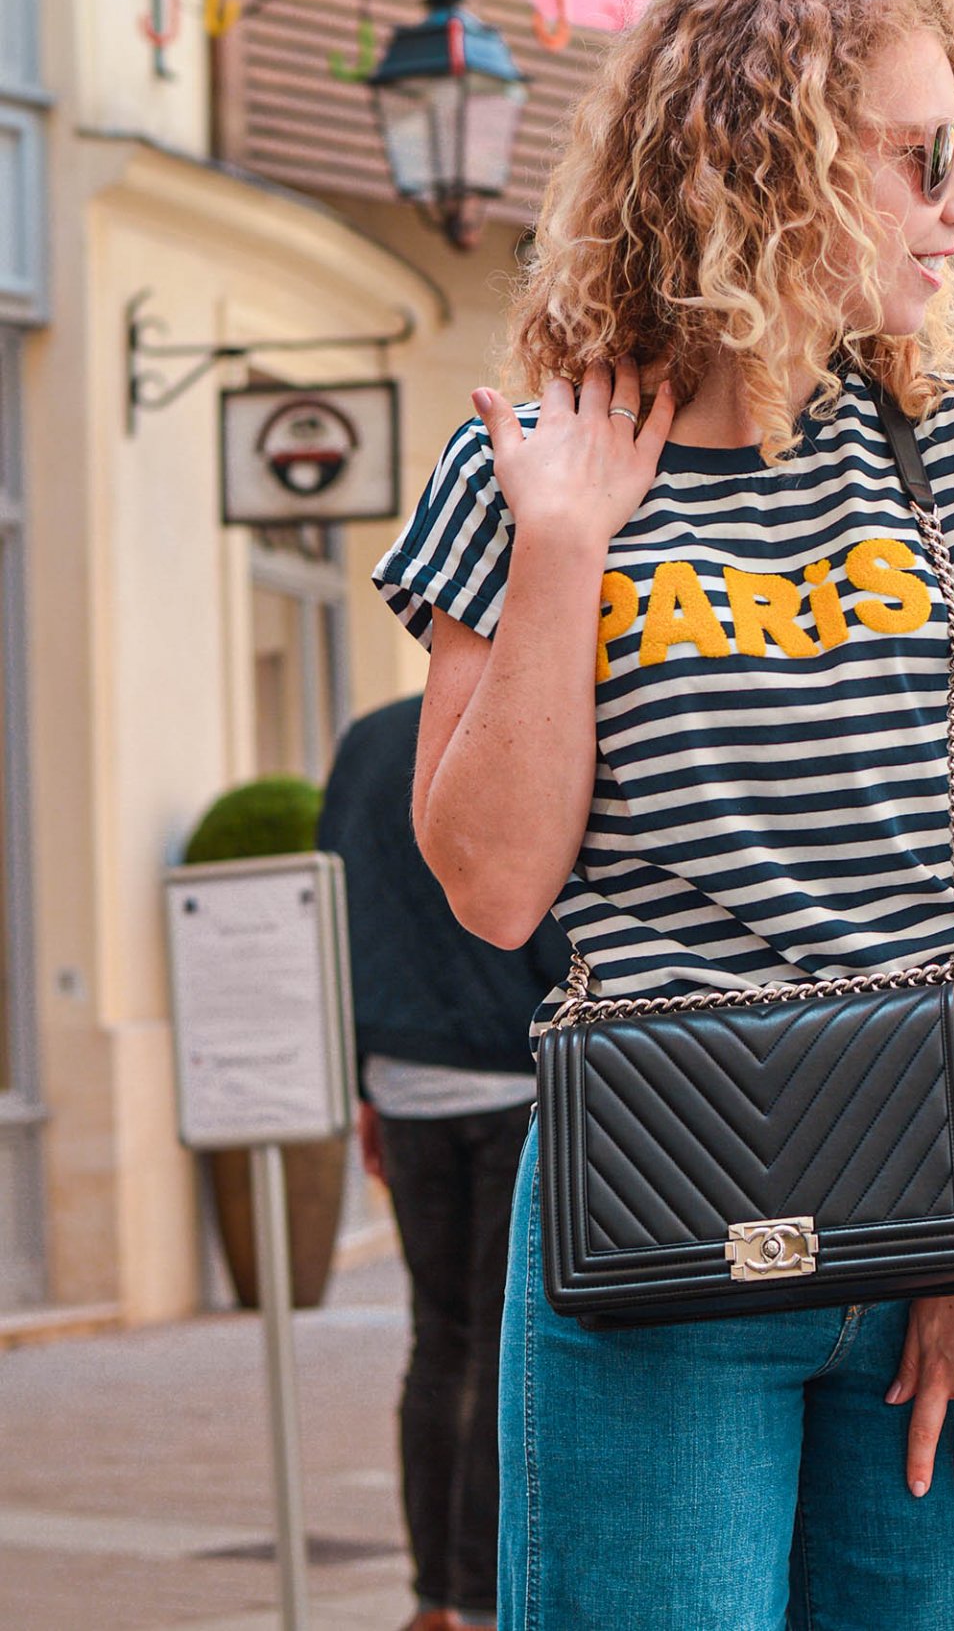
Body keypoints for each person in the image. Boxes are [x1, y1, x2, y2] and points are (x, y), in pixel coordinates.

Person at [373, 0, 954, 1631]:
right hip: (650, 1231)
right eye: (919, 155)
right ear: (758, 160)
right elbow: (489, 884)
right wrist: (562, 550)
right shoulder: (529, 471)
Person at [319, 697, 569, 1631]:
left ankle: (436, 1599)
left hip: (409, 1077)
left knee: (442, 1341)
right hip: (522, 1077)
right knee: (510, 1347)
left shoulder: (371, 740)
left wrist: (365, 1077)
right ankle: (477, 1596)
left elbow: (333, 905)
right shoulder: (522, 720)